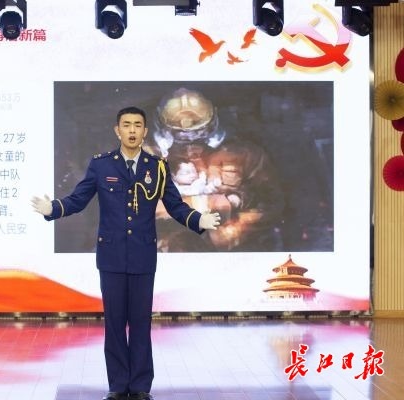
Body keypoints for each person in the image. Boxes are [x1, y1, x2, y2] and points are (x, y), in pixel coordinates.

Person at [31, 106, 221, 400]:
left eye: (137, 125)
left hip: (143, 255)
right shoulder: (101, 165)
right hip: (111, 256)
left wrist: (198, 220)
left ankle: (141, 386)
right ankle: (118, 386)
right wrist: (53, 209)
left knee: (141, 323)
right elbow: (79, 199)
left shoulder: (157, 167)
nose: (132, 130)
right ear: (117, 130)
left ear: (145, 131)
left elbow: (175, 205)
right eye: (126, 125)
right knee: (115, 323)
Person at [143, 87, 285, 252]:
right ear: (163, 130)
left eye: (199, 131)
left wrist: (233, 231)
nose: (191, 139)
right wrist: (207, 204)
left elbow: (271, 201)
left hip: (233, 250)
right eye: (181, 134)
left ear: (212, 124)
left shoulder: (243, 154)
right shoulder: (145, 159)